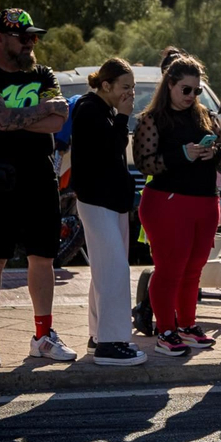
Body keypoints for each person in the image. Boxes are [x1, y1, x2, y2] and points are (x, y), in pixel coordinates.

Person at [0, 8, 73, 369]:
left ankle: (43, 337)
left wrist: (7, 122)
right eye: (23, 37)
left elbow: (57, 120)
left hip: (40, 176)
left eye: (33, 37)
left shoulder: (43, 74)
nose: (30, 43)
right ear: (0, 39)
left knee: (43, 257)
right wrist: (37, 111)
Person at [134, 55, 221, 358]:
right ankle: (165, 331)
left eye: (196, 90)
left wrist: (214, 153)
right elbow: (144, 162)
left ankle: (187, 325)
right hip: (167, 202)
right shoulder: (152, 119)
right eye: (185, 89)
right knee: (169, 269)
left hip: (205, 201)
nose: (191, 96)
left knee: (194, 269)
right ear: (170, 85)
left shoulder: (205, 115)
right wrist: (182, 154)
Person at [69, 58, 146, 366]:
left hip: (110, 201)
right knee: (114, 270)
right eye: (125, 87)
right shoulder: (90, 110)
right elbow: (110, 149)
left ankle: (98, 334)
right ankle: (111, 342)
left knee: (105, 269)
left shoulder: (103, 109)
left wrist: (120, 114)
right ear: (106, 85)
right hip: (97, 200)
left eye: (133, 87)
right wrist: (124, 116)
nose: (130, 93)